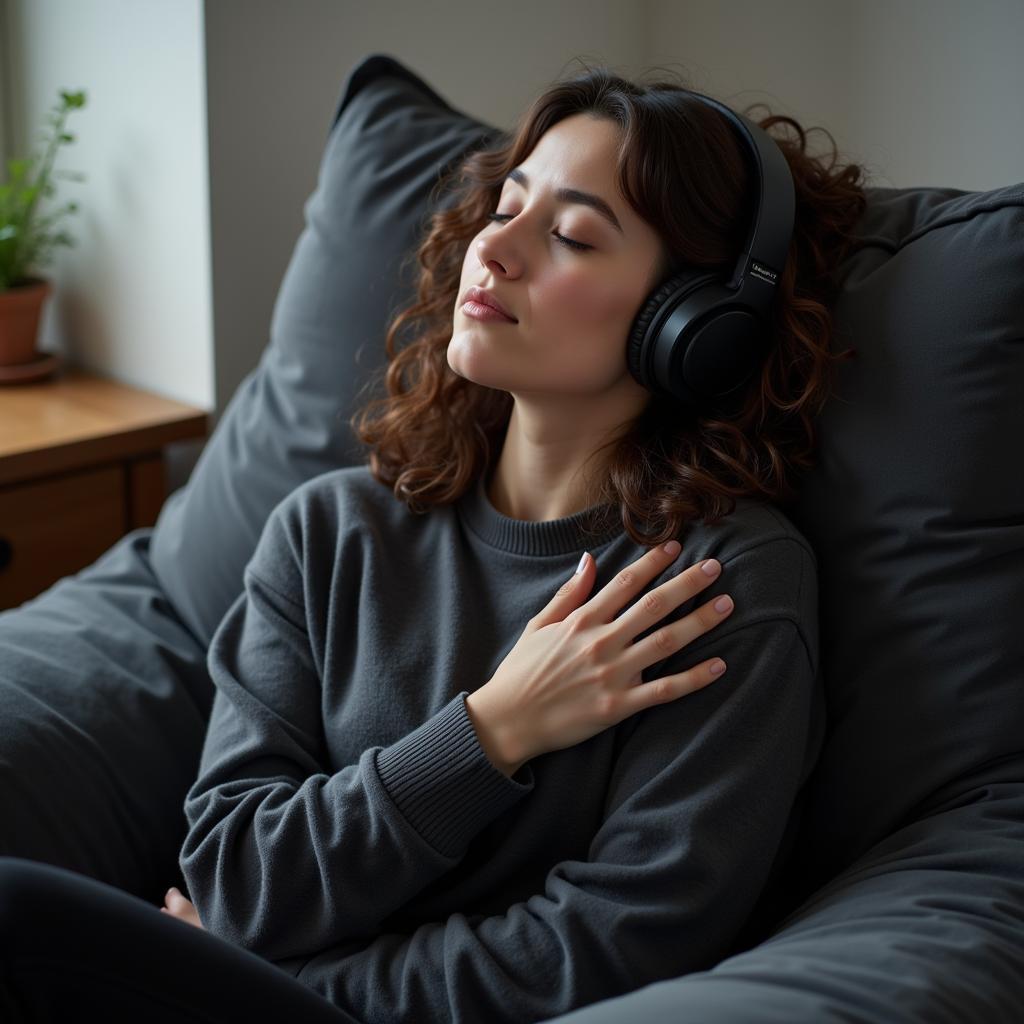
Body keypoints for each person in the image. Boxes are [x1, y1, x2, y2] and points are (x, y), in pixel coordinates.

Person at [0, 59, 868, 1023]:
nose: (496, 250)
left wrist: (283, 981)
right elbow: (237, 874)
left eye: (573, 235)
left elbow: (618, 945)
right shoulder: (329, 532)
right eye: (507, 206)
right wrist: (491, 730)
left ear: (694, 324)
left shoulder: (714, 586)